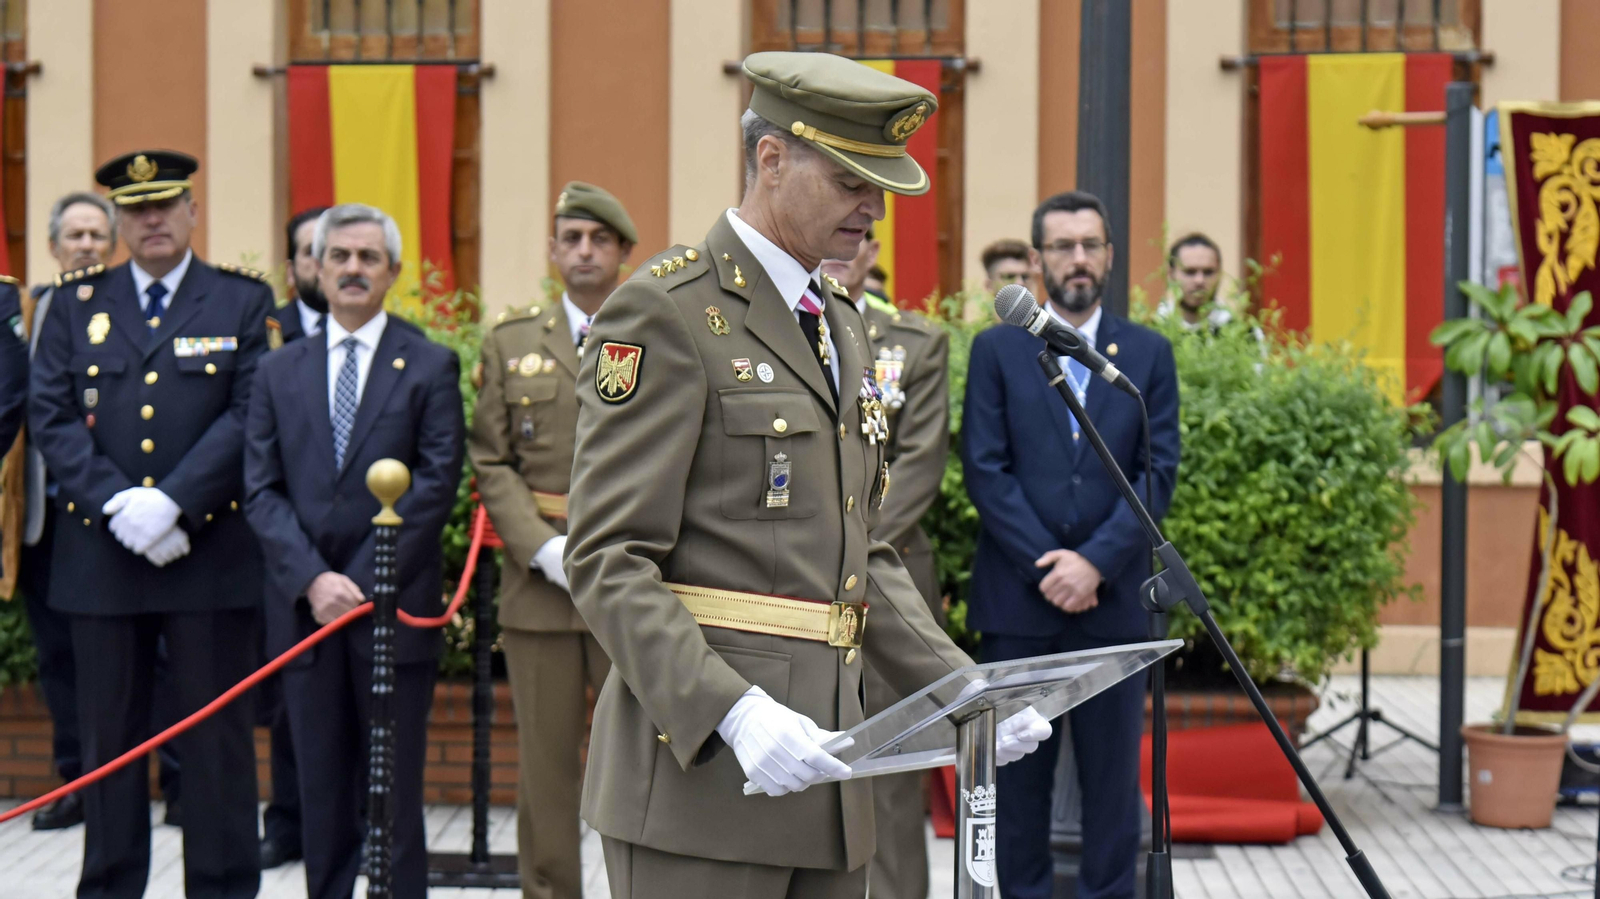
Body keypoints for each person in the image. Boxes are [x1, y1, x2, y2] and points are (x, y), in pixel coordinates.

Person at [565, 51, 1050, 899]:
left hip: (831, 775)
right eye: (852, 180)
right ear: (772, 159)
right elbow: (607, 557)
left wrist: (965, 693)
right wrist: (733, 709)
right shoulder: (667, 311)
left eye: (884, 188)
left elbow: (864, 554)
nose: (875, 210)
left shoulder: (840, 325)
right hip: (705, 778)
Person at [29, 150, 275, 899]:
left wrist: (173, 502)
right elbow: (51, 414)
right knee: (109, 746)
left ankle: (225, 886)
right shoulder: (74, 305)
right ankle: (109, 887)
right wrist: (117, 504)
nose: (152, 220)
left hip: (206, 553)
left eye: (166, 205)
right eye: (136, 209)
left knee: (216, 744)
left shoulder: (238, 299)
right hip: (102, 556)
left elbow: (250, 412)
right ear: (117, 222)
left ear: (192, 212)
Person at [961, 190, 1180, 899]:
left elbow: (1158, 470)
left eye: (1090, 244)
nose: (1077, 258)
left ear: (1110, 255)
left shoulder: (1146, 354)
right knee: (1016, 788)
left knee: (1113, 789)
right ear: (1036, 259)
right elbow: (984, 469)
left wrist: (1095, 562)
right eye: (1062, 246)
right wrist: (1049, 565)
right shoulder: (996, 348)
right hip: (1018, 607)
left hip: (1112, 605)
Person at [244, 202, 465, 899]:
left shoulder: (429, 364)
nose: (352, 268)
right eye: (338, 255)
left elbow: (435, 483)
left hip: (390, 615)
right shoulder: (278, 371)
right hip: (308, 617)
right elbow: (261, 489)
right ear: (314, 266)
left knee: (392, 791)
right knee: (321, 790)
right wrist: (314, 580)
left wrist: (364, 580)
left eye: (369, 257)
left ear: (394, 271)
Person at [469, 181, 633, 899]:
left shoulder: (658, 331)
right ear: (552, 249)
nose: (585, 250)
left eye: (600, 239)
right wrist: (540, 547)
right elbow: (490, 458)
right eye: (572, 237)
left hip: (631, 579)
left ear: (625, 253)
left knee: (644, 758)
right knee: (545, 767)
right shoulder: (511, 341)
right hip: (539, 585)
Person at [822, 226, 949, 899]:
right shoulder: (783, 327)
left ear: (876, 251)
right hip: (800, 592)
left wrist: (842, 546)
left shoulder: (916, 341)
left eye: (863, 237)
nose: (849, 248)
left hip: (890, 580)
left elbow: (920, 466)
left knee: (896, 781)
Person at [5, 191, 115, 832]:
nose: (86, 246)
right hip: (45, 521)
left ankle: (175, 782)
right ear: (52, 247)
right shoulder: (29, 310)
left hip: (119, 521)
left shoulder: (134, 308)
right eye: (74, 235)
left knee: (146, 654)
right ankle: (75, 782)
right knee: (59, 658)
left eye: (97, 235)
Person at [251, 206, 332, 872]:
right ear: (295, 266)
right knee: (284, 698)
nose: (323, 262)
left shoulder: (389, 340)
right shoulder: (268, 332)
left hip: (360, 555)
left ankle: (351, 819)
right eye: (311, 251)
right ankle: (286, 820)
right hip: (279, 551)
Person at [266, 205, 333, 347]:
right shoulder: (265, 334)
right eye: (311, 252)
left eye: (335, 252)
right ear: (290, 271)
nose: (323, 261)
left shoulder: (379, 331)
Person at [1157, 232, 1231, 330]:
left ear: (1219, 275)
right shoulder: (1155, 329)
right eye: (1190, 272)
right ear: (1171, 274)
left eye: (1208, 272)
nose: (1199, 281)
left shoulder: (1243, 333)